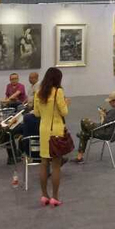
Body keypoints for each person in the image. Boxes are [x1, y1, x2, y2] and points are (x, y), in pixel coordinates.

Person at [34, 67, 69, 207]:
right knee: (56, 166)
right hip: (56, 130)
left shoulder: (38, 93)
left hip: (43, 130)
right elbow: (64, 112)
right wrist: (66, 103)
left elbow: (36, 113)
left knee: (43, 163)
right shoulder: (58, 92)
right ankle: (55, 197)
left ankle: (44, 195)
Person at [73, 91, 115, 163]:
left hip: (106, 133)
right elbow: (110, 118)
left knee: (84, 121)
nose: (109, 103)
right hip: (114, 134)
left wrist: (101, 115)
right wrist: (105, 113)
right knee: (83, 133)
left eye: (110, 101)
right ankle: (79, 157)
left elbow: (103, 123)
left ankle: (86, 134)